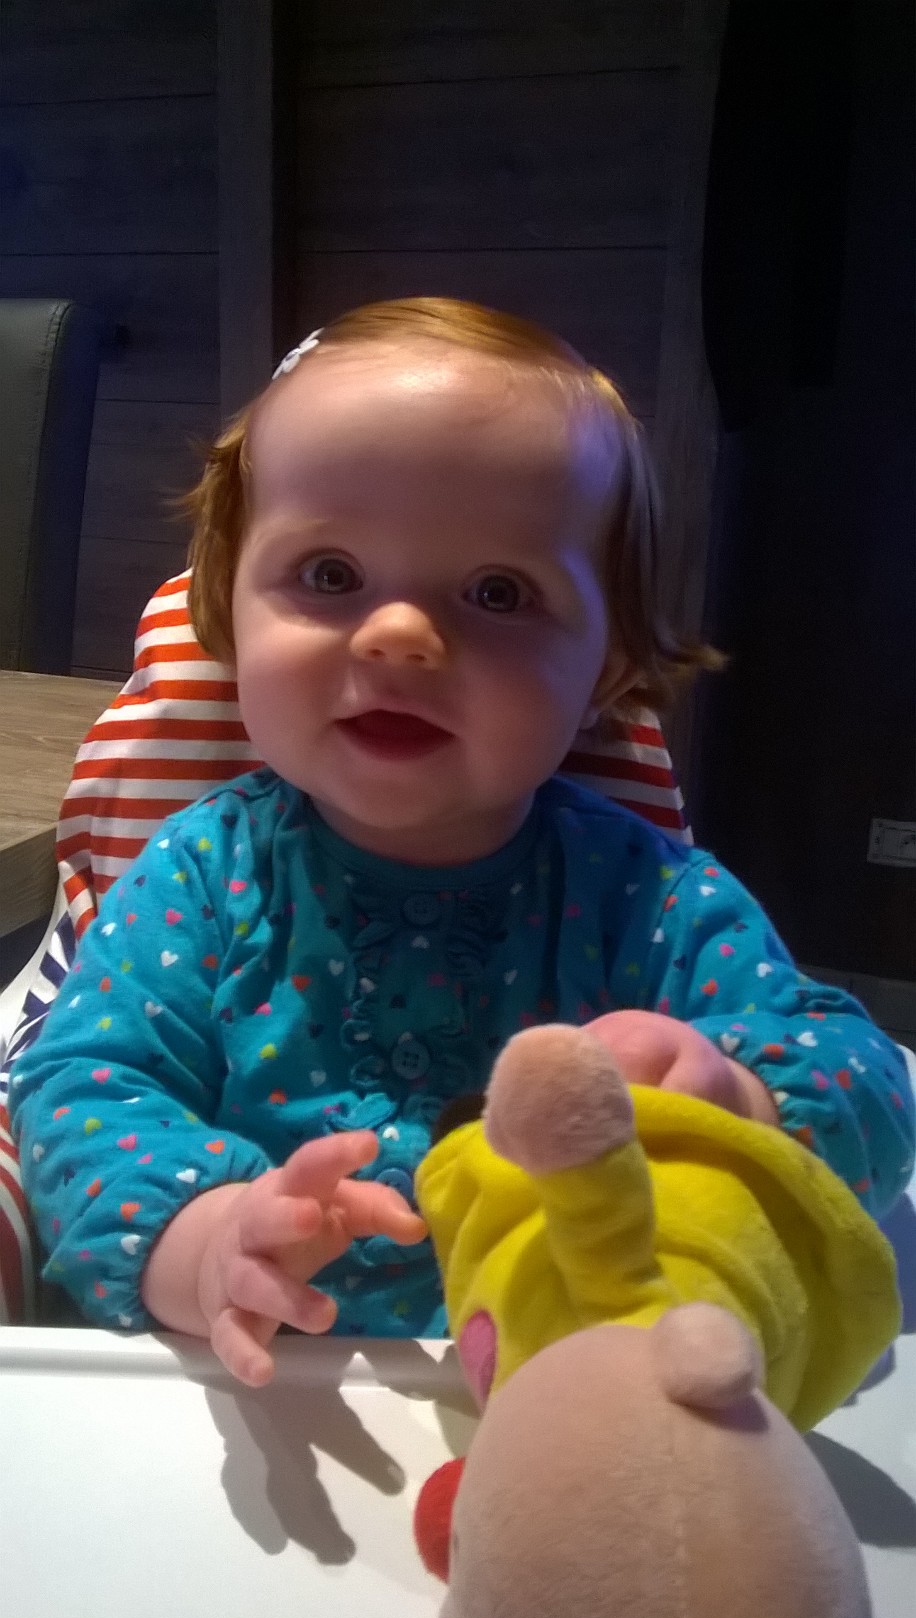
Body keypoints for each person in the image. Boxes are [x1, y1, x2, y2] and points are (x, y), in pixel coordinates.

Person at [9, 298, 914, 1388]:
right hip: (270, 1391)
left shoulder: (650, 901)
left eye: (498, 592)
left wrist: (736, 1098)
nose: (398, 635)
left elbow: (866, 1080)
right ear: (227, 614)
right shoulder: (200, 878)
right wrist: (204, 1242)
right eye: (330, 575)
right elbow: (81, 1087)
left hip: (583, 1388)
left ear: (607, 671)